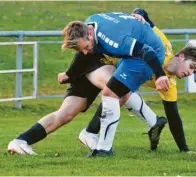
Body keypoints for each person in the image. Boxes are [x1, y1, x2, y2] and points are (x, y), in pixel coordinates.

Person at [7, 12, 167, 155]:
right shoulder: (91, 35)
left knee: (71, 111)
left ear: (89, 33)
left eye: (85, 47)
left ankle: (22, 141)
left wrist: (160, 75)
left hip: (94, 65)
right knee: (114, 92)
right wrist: (69, 74)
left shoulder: (106, 34)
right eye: (80, 50)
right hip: (94, 65)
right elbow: (84, 55)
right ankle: (23, 141)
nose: (84, 51)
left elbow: (143, 47)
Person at [62, 11, 196, 157]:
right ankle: (149, 123)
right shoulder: (163, 43)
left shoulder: (170, 85)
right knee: (114, 93)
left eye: (194, 72)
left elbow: (174, 116)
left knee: (113, 93)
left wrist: (184, 149)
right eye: (192, 67)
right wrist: (138, 13)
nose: (190, 73)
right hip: (129, 57)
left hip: (132, 59)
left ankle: (99, 143)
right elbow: (145, 22)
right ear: (181, 57)